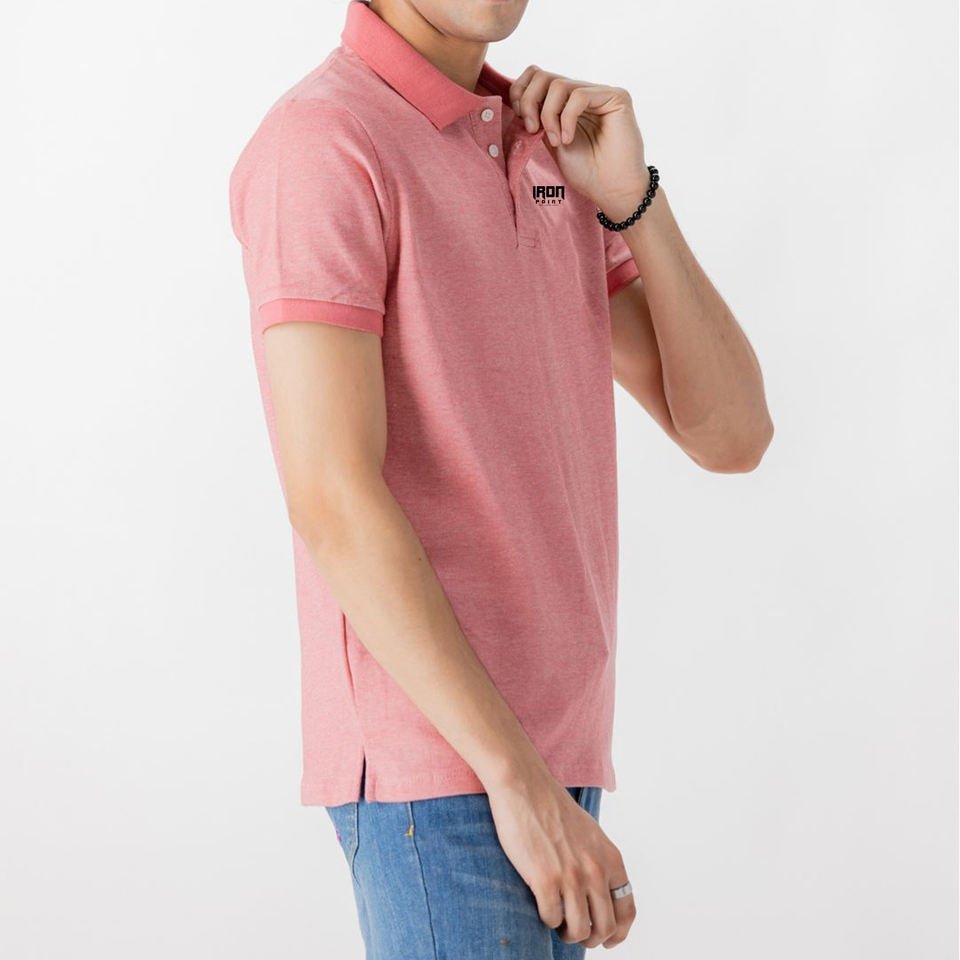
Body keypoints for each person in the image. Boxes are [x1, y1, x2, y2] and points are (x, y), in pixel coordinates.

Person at [227, 0, 773, 955]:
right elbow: (331, 497)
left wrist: (633, 198)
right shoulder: (323, 141)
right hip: (446, 769)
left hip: (555, 754)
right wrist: (515, 781)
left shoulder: (546, 144)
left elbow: (732, 433)